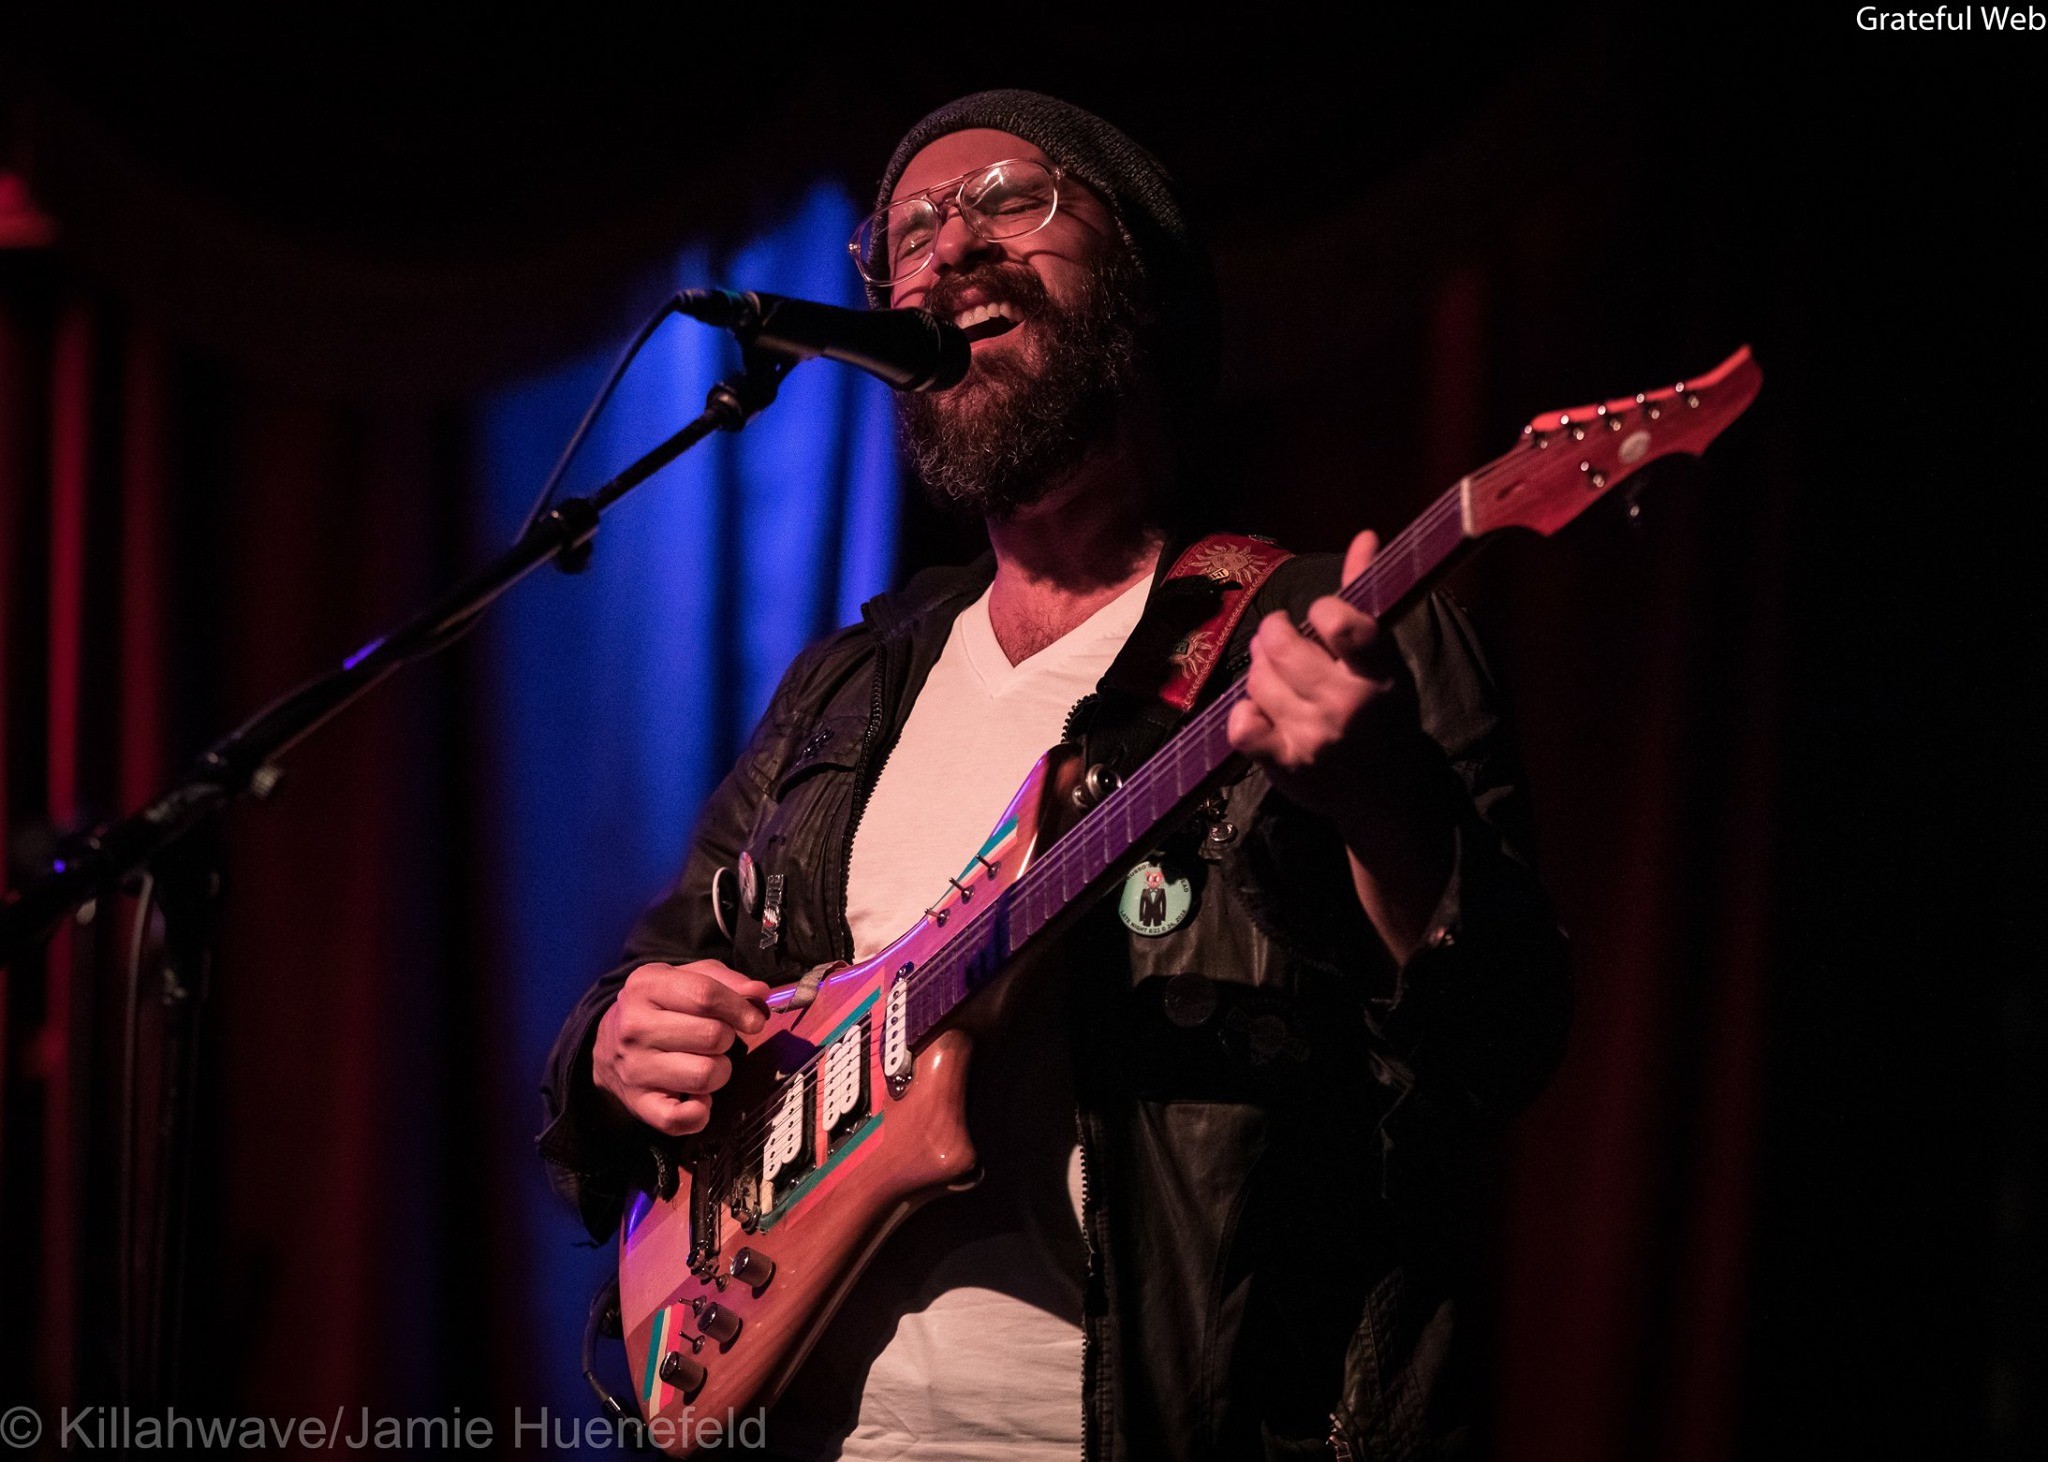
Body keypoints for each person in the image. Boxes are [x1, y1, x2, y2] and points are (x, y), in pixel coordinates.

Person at [540, 90, 1571, 1460]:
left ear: (1137, 276)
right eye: (907, 226)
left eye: (1011, 196)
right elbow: (661, 976)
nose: (947, 245)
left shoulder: (1327, 628)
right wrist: (616, 1049)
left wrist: (1388, 806)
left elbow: (1503, 1040)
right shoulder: (854, 679)